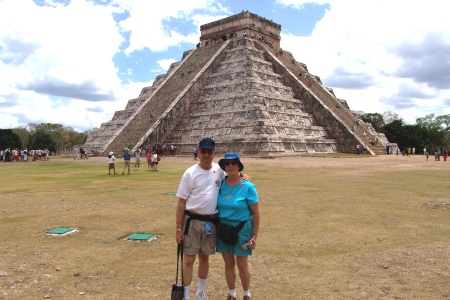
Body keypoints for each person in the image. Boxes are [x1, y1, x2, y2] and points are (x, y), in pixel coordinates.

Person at [176, 138, 223, 300]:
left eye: (210, 152)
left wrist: (243, 177)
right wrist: (178, 228)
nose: (206, 155)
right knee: (188, 260)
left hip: (211, 222)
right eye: (203, 151)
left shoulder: (220, 171)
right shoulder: (189, 173)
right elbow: (181, 202)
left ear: (214, 153)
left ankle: (200, 292)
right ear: (198, 151)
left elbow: (232, 180)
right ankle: (186, 296)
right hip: (192, 223)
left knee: (205, 259)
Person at [217, 152, 259, 300]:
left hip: (243, 228)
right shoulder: (221, 184)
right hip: (223, 227)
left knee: (242, 264)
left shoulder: (247, 186)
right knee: (228, 264)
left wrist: (255, 235)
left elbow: (256, 213)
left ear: (239, 166)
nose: (230, 166)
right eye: (227, 164)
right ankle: (231, 293)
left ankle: (246, 293)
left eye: (233, 163)